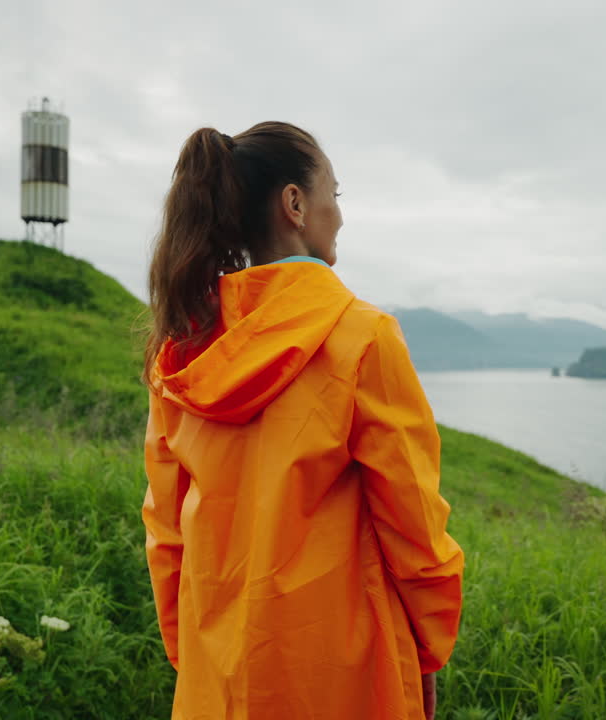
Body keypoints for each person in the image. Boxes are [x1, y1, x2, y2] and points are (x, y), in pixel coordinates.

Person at [142, 121, 464, 720]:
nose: (339, 215)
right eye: (333, 196)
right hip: (344, 679)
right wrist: (428, 651)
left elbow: (166, 530)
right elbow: (415, 529)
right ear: (295, 203)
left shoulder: (183, 351)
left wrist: (197, 659)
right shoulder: (363, 337)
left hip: (218, 681)